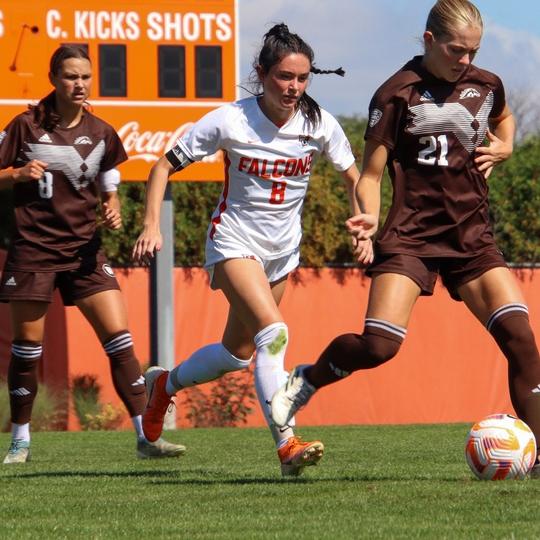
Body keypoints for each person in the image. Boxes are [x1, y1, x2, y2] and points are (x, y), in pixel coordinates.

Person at [271, 0, 540, 477]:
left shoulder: (487, 84)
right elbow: (371, 175)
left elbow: (501, 118)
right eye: (457, 50)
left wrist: (507, 143)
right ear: (430, 40)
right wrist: (368, 219)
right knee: (379, 347)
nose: (466, 60)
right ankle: (307, 379)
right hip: (412, 235)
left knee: (521, 341)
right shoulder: (396, 93)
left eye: (474, 51)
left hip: (472, 236)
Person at [132, 24, 359, 476]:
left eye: (302, 78)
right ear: (262, 73)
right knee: (273, 333)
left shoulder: (319, 123)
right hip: (233, 242)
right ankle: (287, 445)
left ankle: (164, 384)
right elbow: (161, 167)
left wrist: (364, 225)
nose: (293, 87)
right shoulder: (229, 119)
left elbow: (357, 179)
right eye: (284, 77)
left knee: (236, 354)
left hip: (282, 253)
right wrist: (151, 224)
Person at [0, 45, 185, 463]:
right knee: (27, 351)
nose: (78, 84)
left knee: (121, 343)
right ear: (54, 79)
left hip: (85, 252)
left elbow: (107, 177)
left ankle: (145, 437)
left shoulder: (102, 131)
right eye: (70, 76)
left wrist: (113, 204)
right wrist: (15, 173)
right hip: (35, 252)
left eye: (84, 76)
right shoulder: (24, 127)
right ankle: (20, 440)